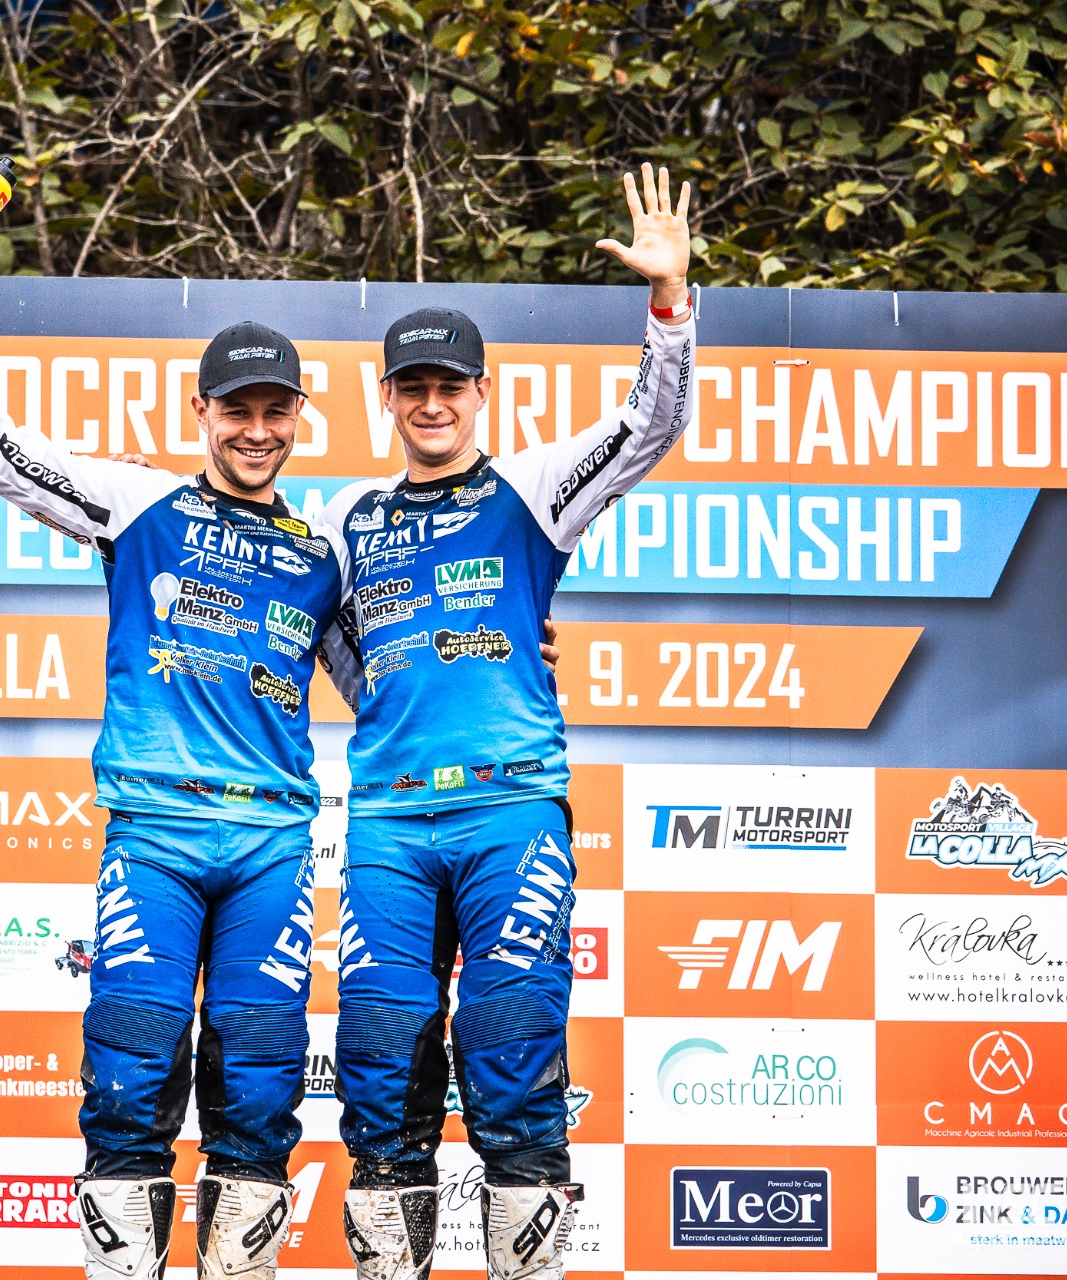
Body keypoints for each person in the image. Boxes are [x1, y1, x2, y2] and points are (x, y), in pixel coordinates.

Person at [0, 217, 344, 1280]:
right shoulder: (137, 501)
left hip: (273, 846)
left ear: (298, 418)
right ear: (202, 412)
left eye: (275, 411)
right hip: (154, 832)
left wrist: (513, 653)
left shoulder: (324, 550)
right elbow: (1, 454)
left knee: (260, 1084)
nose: (256, 431)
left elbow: (390, 682)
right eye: (236, 410)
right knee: (131, 1074)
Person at [318, 164, 698, 1280]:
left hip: (511, 811)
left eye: (451, 385)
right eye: (412, 387)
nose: (432, 404)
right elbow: (323, 639)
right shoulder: (346, 515)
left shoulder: (532, 487)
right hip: (389, 821)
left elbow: (649, 424)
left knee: (513, 1046)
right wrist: (408, 682)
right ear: (385, 396)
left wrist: (669, 302)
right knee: (380, 1054)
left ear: (482, 392)